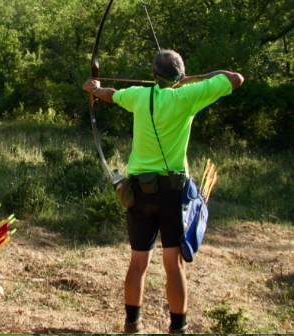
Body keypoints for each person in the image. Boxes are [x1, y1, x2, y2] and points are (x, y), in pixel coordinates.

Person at [83, 49, 244, 335]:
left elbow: (111, 94)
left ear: (154, 76)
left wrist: (95, 89)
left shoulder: (138, 96)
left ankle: (132, 325)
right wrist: (191, 79)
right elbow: (235, 78)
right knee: (174, 265)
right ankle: (178, 329)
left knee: (138, 263)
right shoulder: (188, 96)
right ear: (180, 75)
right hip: (173, 193)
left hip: (140, 194)